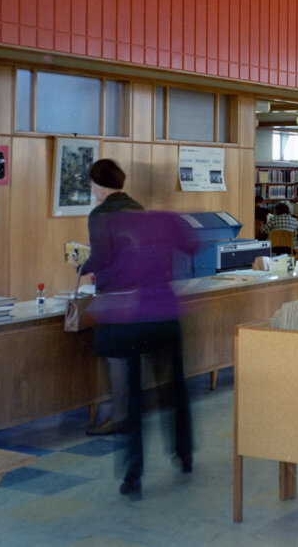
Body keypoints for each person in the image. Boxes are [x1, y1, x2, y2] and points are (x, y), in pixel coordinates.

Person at [88, 208, 199, 497]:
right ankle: (184, 453)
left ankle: (132, 474)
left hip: (131, 319)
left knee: (134, 398)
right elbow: (193, 246)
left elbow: (101, 266)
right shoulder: (166, 218)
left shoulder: (111, 221)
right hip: (164, 313)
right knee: (175, 388)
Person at [76, 159, 143, 437]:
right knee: (132, 355)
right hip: (141, 291)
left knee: (115, 357)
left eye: (93, 184)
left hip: (114, 293)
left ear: (101, 184)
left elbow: (101, 256)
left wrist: (81, 266)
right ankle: (131, 412)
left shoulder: (100, 214)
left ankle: (119, 417)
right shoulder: (138, 209)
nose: (92, 190)